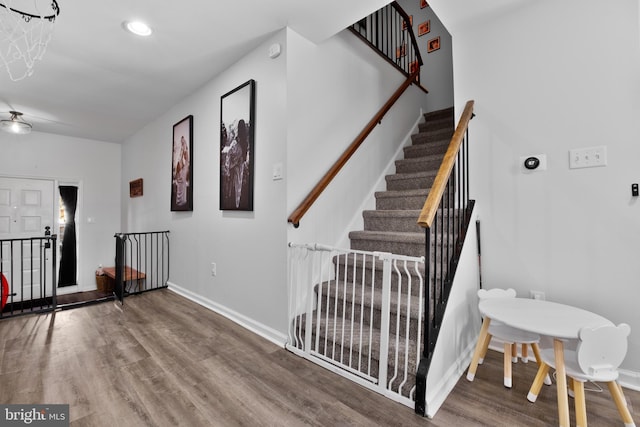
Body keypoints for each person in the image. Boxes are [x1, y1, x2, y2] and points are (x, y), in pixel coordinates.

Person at [174, 135, 190, 207]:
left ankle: (182, 200)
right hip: (183, 203)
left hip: (178, 202)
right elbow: (182, 159)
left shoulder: (185, 149)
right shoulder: (183, 173)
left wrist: (183, 146)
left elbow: (183, 159)